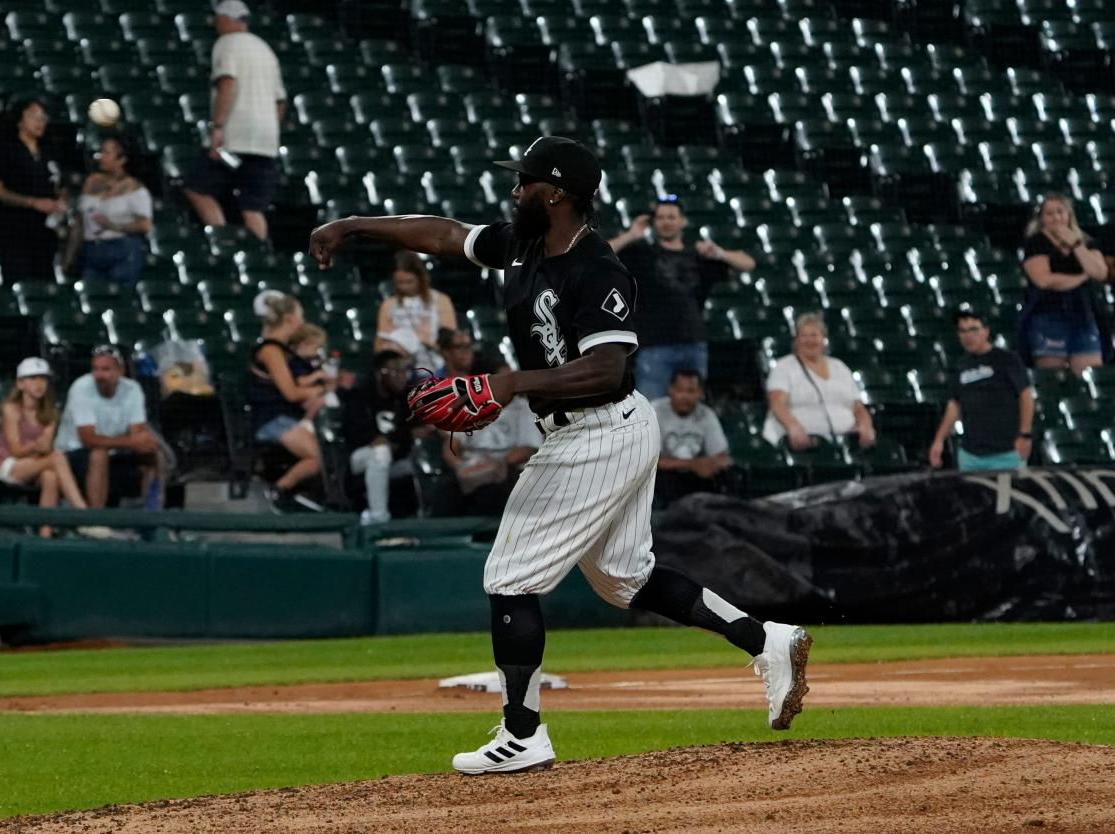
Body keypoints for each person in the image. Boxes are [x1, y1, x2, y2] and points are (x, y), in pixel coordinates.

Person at [309, 134, 813, 775]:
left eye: (523, 182)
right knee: (626, 578)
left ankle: (523, 734)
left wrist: (509, 383)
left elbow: (607, 367)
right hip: (593, 431)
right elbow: (444, 234)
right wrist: (353, 224)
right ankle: (766, 639)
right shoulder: (522, 244)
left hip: (600, 428)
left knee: (509, 576)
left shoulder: (598, 268)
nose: (513, 190)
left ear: (554, 194)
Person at [607, 196, 756, 398]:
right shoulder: (641, 253)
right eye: (660, 217)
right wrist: (631, 235)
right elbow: (599, 254)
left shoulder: (698, 255)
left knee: (692, 415)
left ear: (682, 221)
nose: (666, 222)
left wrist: (720, 253)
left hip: (694, 343)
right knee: (652, 414)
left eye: (671, 217)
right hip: (654, 347)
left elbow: (748, 263)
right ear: (654, 223)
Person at [182, 0, 284, 241]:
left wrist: (217, 127)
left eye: (218, 17)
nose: (214, 22)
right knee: (253, 207)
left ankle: (223, 243)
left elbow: (228, 83)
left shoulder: (227, 43)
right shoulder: (265, 49)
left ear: (229, 19)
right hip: (266, 141)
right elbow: (280, 102)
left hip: (235, 137)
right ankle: (257, 256)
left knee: (197, 188)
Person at [0, 357, 101, 538]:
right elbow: (16, 450)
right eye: (33, 379)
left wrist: (37, 448)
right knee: (57, 458)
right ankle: (83, 516)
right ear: (21, 384)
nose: (39, 384)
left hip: (38, 463)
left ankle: (45, 533)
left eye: (43, 379)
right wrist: (35, 446)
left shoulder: (50, 413)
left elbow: (46, 447)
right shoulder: (10, 409)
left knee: (50, 476)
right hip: (10, 464)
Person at [54, 345, 163, 510]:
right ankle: (97, 520)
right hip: (72, 453)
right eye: (95, 369)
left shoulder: (132, 389)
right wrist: (131, 442)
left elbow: (137, 433)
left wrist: (142, 442)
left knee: (152, 452)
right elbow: (88, 439)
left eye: (105, 369)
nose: (99, 375)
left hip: (114, 449)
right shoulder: (81, 388)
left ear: (120, 371)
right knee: (99, 454)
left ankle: (152, 514)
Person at [248, 293, 326, 512]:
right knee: (317, 457)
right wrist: (317, 389)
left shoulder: (282, 349)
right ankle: (279, 491)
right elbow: (291, 393)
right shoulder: (270, 350)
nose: (302, 322)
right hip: (272, 419)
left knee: (327, 451)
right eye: (300, 316)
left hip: (284, 416)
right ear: (290, 318)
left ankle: (301, 495)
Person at [929, 309, 1034, 472]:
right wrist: (939, 440)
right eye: (962, 331)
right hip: (971, 455)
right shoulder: (960, 366)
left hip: (1006, 452)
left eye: (973, 329)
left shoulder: (1007, 360)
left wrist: (1025, 434)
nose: (968, 336)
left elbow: (1025, 395)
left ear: (986, 331)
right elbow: (954, 405)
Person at [436, 357, 540, 517]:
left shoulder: (523, 408)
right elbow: (451, 445)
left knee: (489, 493)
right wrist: (459, 465)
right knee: (444, 491)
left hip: (506, 468)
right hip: (469, 466)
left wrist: (496, 465)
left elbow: (528, 448)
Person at [1019, 193, 1109, 375]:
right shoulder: (1036, 243)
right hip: (1047, 315)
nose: (1056, 217)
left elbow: (1100, 272)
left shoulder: (1086, 242)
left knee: (1089, 373)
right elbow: (1044, 280)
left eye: (1060, 212)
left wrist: (1076, 244)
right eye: (1049, 213)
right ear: (1042, 218)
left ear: (1069, 215)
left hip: (1083, 315)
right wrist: (1081, 278)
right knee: (1052, 378)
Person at [763, 312, 876, 450]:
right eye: (804, 336)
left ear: (823, 339)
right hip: (801, 444)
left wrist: (866, 425)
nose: (810, 340)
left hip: (846, 443)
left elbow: (857, 407)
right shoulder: (784, 367)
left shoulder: (839, 366)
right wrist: (793, 427)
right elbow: (777, 404)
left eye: (814, 335)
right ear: (796, 340)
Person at [0, 98, 66, 284]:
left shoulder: (48, 152)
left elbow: (59, 184)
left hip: (45, 233)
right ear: (20, 120)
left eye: (43, 117)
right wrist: (33, 203)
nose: (40, 122)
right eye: (34, 116)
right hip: (15, 231)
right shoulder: (6, 150)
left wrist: (61, 201)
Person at [340, 350, 415, 526]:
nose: (402, 377)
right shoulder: (360, 397)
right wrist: (386, 440)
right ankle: (379, 519)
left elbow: (411, 433)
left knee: (413, 464)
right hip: (359, 457)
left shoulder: (405, 400)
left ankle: (422, 520)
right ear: (380, 373)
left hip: (394, 459)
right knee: (380, 453)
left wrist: (389, 439)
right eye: (396, 371)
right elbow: (357, 435)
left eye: (404, 371)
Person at [76, 137, 153, 286]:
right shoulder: (91, 182)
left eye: (106, 153)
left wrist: (113, 226)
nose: (101, 156)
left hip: (121, 248)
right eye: (101, 152)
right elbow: (80, 220)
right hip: (91, 249)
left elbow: (145, 225)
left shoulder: (135, 188)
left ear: (121, 159)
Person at [653, 368, 732, 506]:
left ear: (700, 393)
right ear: (670, 390)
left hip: (695, 477)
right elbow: (649, 461)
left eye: (691, 391)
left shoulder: (707, 415)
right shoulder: (654, 411)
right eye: (680, 390)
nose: (684, 396)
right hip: (662, 476)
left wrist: (712, 464)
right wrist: (692, 464)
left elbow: (722, 457)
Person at [374, 250, 458, 372]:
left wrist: (427, 340)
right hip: (402, 370)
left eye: (409, 282)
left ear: (420, 278)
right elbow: (379, 344)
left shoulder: (441, 300)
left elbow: (450, 339)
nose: (405, 287)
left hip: (436, 366)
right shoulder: (388, 305)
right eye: (400, 283)